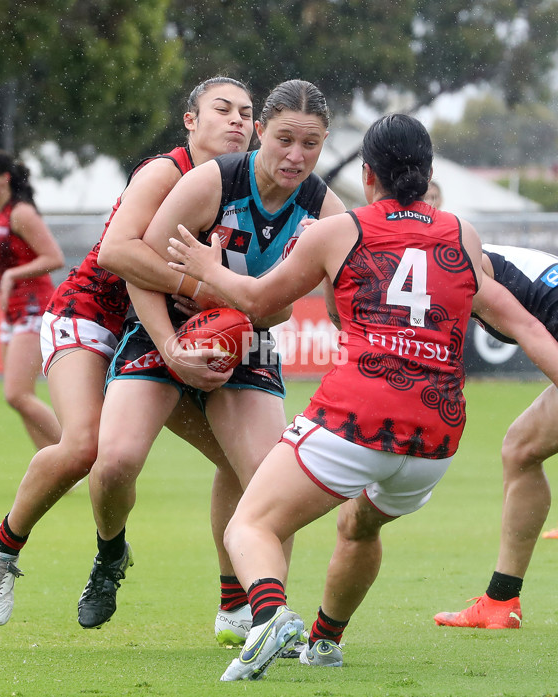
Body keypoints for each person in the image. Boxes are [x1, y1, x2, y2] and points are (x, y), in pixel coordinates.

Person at [166, 114, 558, 681]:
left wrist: (207, 267)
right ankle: (324, 643)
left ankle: (270, 616)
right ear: (425, 174)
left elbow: (256, 298)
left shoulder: (337, 230)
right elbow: (527, 328)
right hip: (435, 440)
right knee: (360, 525)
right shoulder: (461, 234)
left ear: (368, 174)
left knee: (250, 526)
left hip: (358, 419)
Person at [0, 77, 255, 627]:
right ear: (191, 122)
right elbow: (115, 255)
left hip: (156, 328)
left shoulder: (248, 188)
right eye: (222, 110)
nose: (237, 121)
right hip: (90, 313)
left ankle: (233, 605)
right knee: (84, 446)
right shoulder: (164, 172)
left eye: (247, 113)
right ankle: (6, 547)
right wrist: (205, 287)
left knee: (239, 462)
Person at [76, 80, 346, 644]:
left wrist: (252, 300)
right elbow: (135, 261)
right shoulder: (213, 181)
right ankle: (109, 553)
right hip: (161, 331)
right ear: (259, 133)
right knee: (115, 462)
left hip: (243, 340)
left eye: (312, 144)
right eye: (284, 139)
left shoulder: (324, 209)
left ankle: (253, 614)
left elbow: (288, 311)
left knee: (268, 484)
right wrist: (173, 345)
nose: (296, 156)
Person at [433, 243, 558, 628]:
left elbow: (530, 329)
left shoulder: (461, 265)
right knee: (521, 449)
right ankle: (500, 601)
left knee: (520, 448)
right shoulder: (454, 260)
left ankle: (500, 602)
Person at [0, 150, 63, 450]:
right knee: (19, 399)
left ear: (4, 178)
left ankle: (81, 448)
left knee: (17, 394)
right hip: (12, 311)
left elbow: (53, 257)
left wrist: (12, 275)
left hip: (34, 307)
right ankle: (55, 472)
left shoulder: (21, 213)